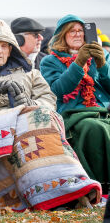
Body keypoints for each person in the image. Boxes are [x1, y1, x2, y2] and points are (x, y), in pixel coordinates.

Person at [0, 19, 101, 211]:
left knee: (45, 121)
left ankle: (64, 189)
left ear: (11, 50)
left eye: (4, 46)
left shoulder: (30, 73)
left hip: (29, 121)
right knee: (32, 128)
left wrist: (30, 103)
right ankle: (49, 195)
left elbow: (48, 99)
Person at [40, 14, 110, 187]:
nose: (78, 34)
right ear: (62, 35)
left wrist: (102, 65)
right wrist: (78, 63)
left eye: (80, 31)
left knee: (101, 125)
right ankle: (102, 183)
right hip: (73, 114)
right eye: (72, 31)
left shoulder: (102, 55)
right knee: (94, 128)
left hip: (102, 110)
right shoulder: (50, 61)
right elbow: (57, 91)